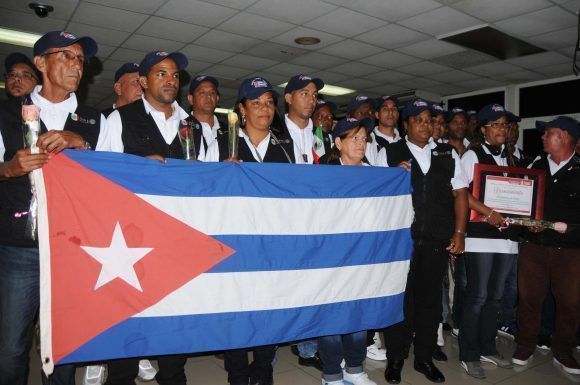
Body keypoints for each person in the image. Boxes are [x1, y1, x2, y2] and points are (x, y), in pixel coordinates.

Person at [0, 30, 107, 385]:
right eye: (66, 56)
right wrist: (9, 169)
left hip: (73, 247)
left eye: (80, 59)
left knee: (61, 343)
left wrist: (83, 144)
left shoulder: (94, 119)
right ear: (41, 64)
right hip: (21, 247)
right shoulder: (6, 113)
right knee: (12, 346)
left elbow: (113, 177)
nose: (76, 65)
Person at [105, 50, 192, 385]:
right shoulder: (119, 119)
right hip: (133, 238)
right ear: (142, 81)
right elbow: (104, 175)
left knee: (176, 318)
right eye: (160, 73)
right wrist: (139, 170)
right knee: (130, 317)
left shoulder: (192, 125)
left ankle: (173, 377)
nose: (170, 80)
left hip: (181, 237)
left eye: (174, 75)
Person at [205, 76, 293, 385]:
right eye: (256, 103)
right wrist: (221, 175)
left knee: (268, 309)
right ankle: (238, 374)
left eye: (269, 103)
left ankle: (264, 369)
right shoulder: (221, 143)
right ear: (242, 109)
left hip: (271, 244)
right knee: (237, 312)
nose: (264, 109)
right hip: (234, 245)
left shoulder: (285, 146)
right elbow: (202, 193)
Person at [382, 99, 468, 384]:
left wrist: (459, 233)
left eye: (429, 120)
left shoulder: (447, 153)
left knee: (430, 302)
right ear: (406, 124)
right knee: (401, 300)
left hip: (436, 238)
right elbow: (378, 197)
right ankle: (396, 356)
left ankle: (424, 358)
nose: (425, 125)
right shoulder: (389, 152)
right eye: (418, 120)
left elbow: (461, 195)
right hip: (402, 241)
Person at [512, 116, 579, 375]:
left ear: (562, 136)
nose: (541, 137)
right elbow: (522, 203)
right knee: (529, 298)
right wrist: (526, 224)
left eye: (546, 132)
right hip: (534, 247)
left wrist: (568, 228)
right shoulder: (535, 165)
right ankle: (525, 344)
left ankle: (563, 351)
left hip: (571, 251)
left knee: (570, 303)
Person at [316, 117, 377, 385]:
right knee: (331, 315)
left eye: (364, 139)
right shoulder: (323, 174)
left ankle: (354, 367)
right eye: (355, 138)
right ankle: (331, 373)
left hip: (363, 257)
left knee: (359, 313)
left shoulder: (376, 175)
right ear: (338, 142)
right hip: (331, 258)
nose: (361, 144)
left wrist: (398, 175)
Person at [458, 104, 518, 379]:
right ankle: (468, 354)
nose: (501, 129)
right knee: (478, 296)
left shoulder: (511, 158)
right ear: (483, 130)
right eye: (495, 125)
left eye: (504, 124)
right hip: (481, 237)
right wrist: (489, 212)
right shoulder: (472, 155)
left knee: (495, 297)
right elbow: (461, 194)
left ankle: (487, 347)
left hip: (506, 237)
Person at [283, 74, 324, 164]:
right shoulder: (275, 134)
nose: (312, 100)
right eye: (305, 94)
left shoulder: (321, 135)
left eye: (314, 95)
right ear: (289, 98)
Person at [187, 74, 221, 159]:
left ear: (217, 98)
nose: (209, 96)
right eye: (202, 92)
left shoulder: (229, 131)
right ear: (191, 99)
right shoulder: (182, 127)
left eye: (212, 92)